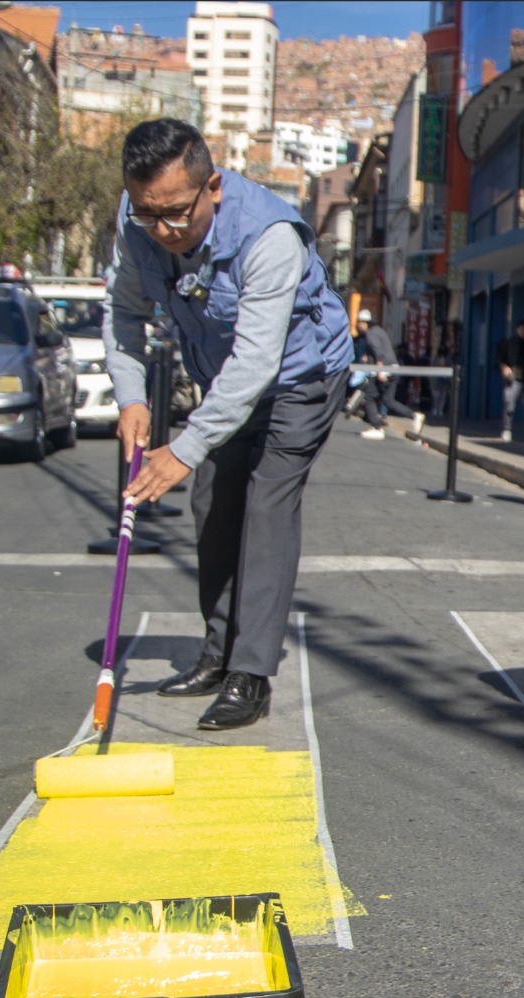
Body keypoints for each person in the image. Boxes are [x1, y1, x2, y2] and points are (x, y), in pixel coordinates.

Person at [104, 118, 353, 729]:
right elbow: (122, 309)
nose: (162, 231)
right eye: (148, 214)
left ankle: (251, 673)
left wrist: (184, 447)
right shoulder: (136, 222)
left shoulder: (268, 237)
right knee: (213, 503)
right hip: (227, 381)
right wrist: (131, 396)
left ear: (212, 186)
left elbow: (256, 361)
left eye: (177, 214)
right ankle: (216, 655)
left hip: (302, 378)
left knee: (267, 505)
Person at [356, 309, 424, 440]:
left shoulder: (370, 334)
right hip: (393, 367)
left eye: (359, 322)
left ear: (364, 323)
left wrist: (380, 371)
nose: (358, 325)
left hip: (383, 368)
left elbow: (379, 352)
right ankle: (414, 416)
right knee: (388, 400)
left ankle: (376, 427)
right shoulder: (379, 331)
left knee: (369, 396)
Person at [500, 319, 524, 443]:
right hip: (513, 379)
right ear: (517, 329)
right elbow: (500, 359)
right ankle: (507, 430)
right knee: (509, 406)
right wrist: (505, 368)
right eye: (522, 328)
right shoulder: (510, 343)